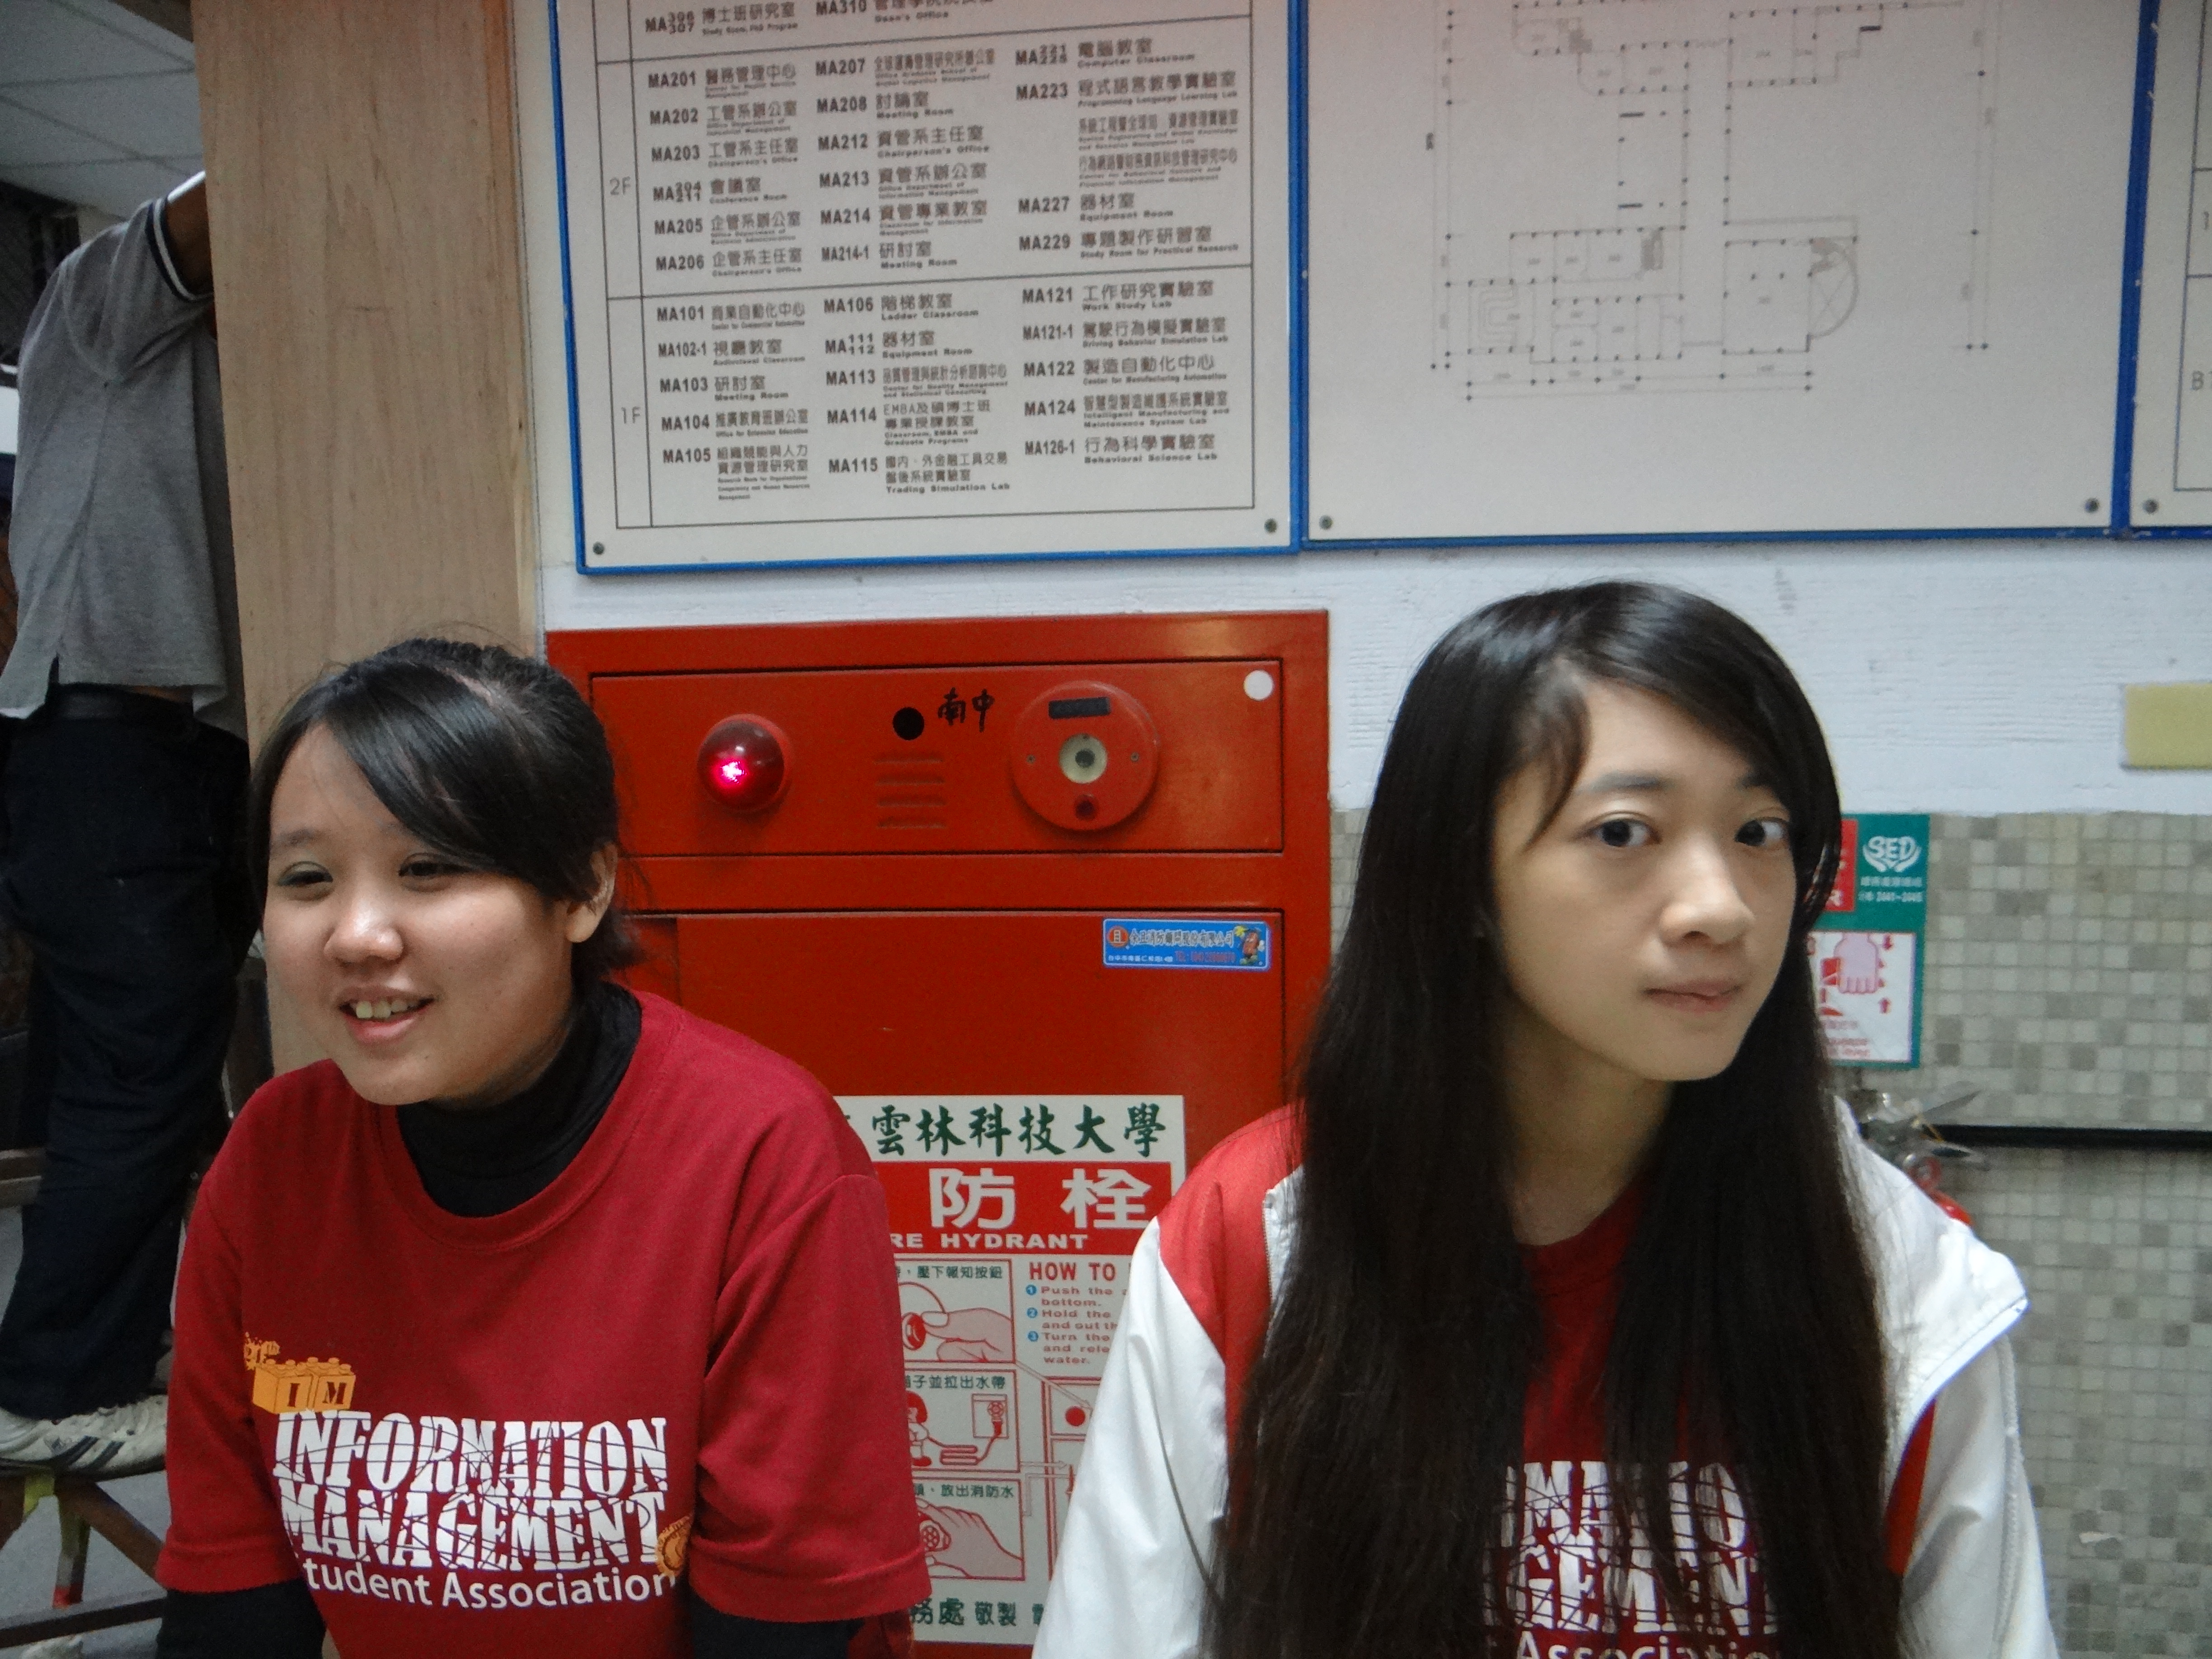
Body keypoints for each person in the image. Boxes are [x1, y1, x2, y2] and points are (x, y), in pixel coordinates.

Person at [1034, 582, 2056, 1659]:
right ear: (1464, 880)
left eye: (1759, 830)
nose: (1722, 906)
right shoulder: (1256, 1238)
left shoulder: (1900, 1275)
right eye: (1624, 832)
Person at [154, 640, 928, 1658]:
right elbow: (231, 1601)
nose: (357, 935)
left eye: (427, 868)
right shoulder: (273, 1160)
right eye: (307, 878)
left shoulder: (760, 1156)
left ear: (582, 891)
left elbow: (780, 1628)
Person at [0, 173, 247, 1473]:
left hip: (175, 747)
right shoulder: (103, 297)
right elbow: (239, 182)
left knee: (148, 1076)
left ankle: (102, 1344)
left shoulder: (226, 355)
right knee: (143, 1076)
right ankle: (54, 1387)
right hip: (104, 736)